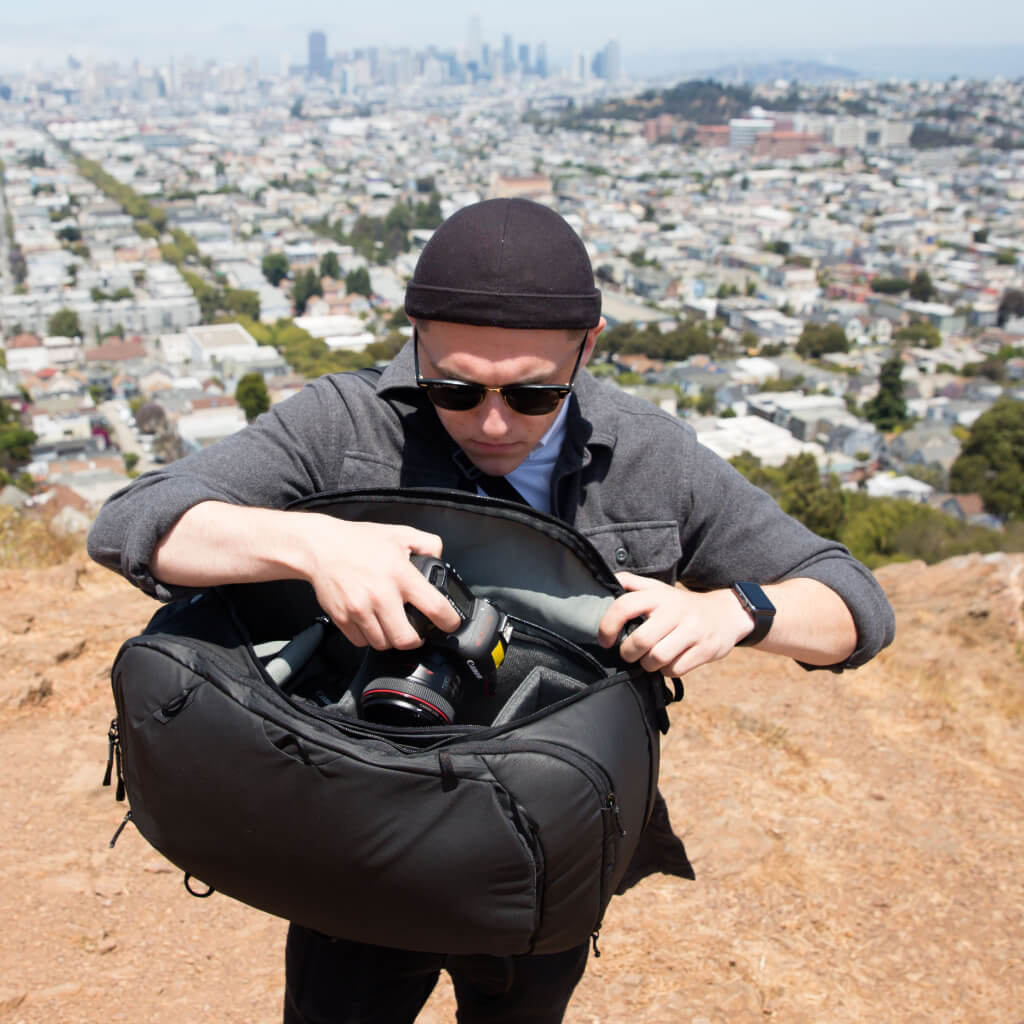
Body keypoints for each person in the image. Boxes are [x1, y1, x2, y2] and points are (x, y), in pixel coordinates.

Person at [88, 197, 894, 1023]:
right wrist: (313, 544)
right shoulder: (341, 425)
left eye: (536, 394)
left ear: (589, 346)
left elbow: (853, 605)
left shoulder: (651, 460)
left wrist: (734, 611)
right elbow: (134, 523)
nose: (495, 422)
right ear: (414, 338)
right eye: (454, 387)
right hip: (355, 832)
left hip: (541, 856)